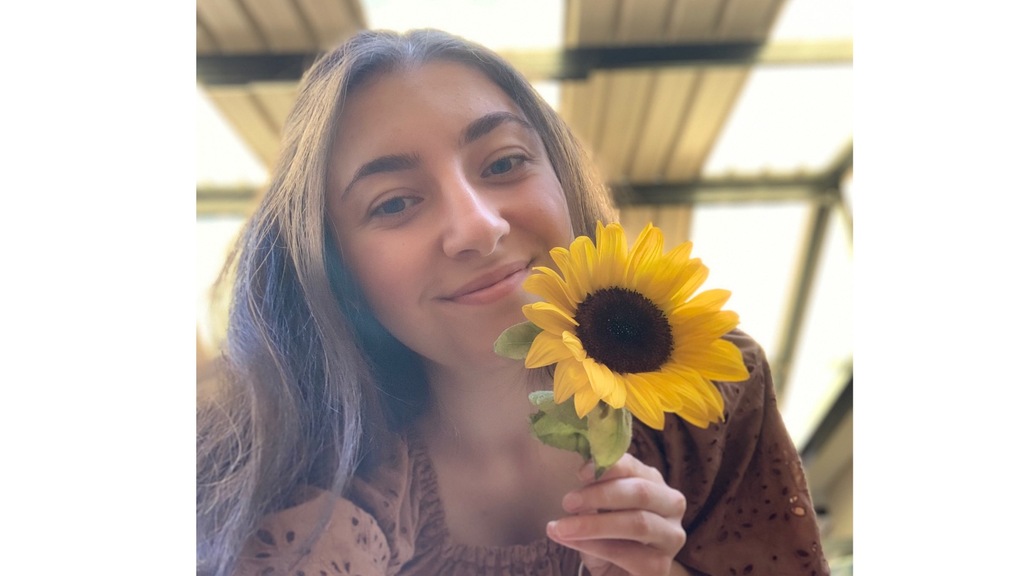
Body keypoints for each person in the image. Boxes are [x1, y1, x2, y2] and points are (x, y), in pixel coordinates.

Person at [197, 28, 830, 576]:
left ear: (561, 176)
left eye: (503, 163)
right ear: (331, 267)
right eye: (395, 202)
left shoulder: (713, 397)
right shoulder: (254, 481)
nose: (479, 226)